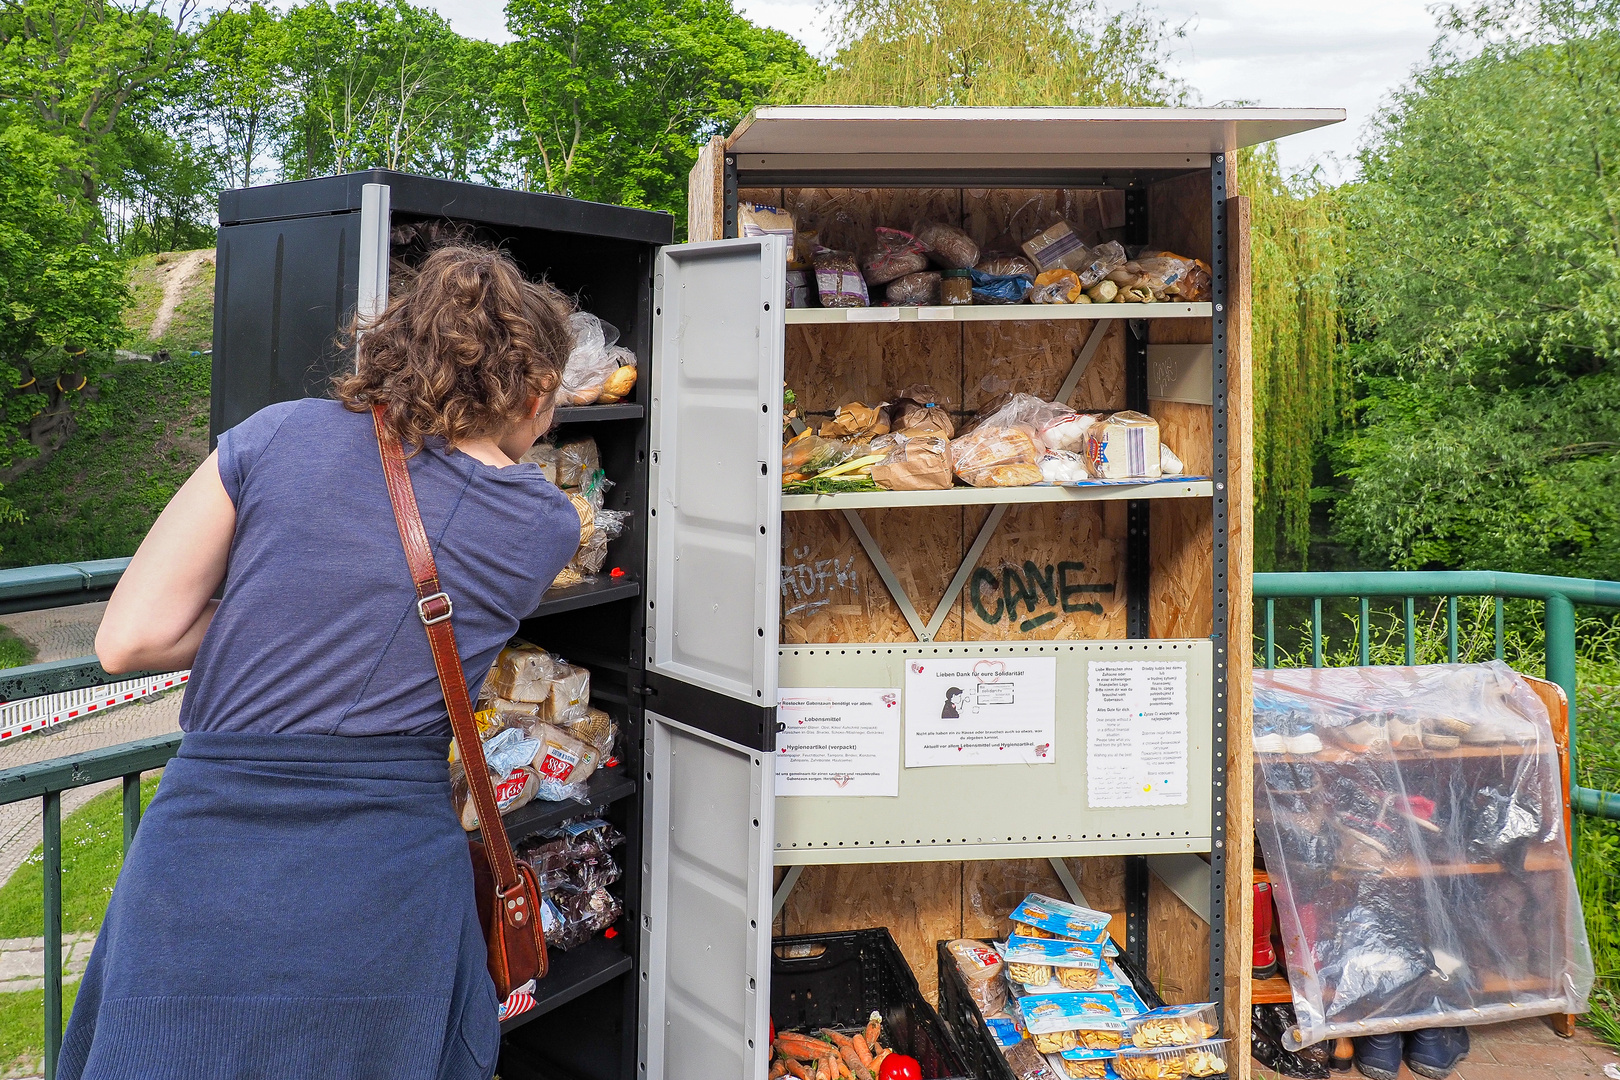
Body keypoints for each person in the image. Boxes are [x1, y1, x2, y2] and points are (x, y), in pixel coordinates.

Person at [62, 244, 582, 1080]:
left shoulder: (274, 437)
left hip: (203, 862)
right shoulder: (546, 524)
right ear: (532, 387)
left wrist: (271, 609)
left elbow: (129, 640)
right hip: (383, 877)